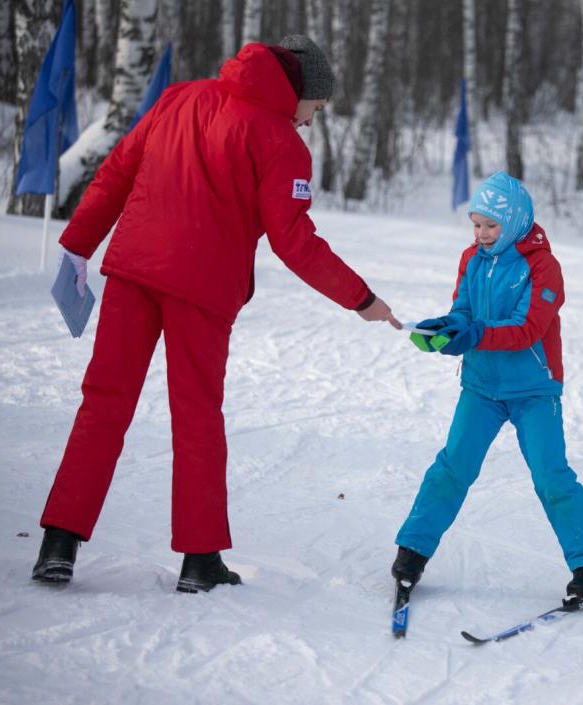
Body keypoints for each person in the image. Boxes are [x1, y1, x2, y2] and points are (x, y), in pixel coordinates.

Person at [31, 36, 401, 593]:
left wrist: (78, 247)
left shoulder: (179, 98)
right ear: (299, 91)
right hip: (200, 291)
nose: (310, 121)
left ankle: (59, 542)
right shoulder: (280, 142)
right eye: (315, 109)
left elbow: (114, 174)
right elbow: (294, 241)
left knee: (103, 404)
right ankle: (199, 560)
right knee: (197, 418)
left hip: (133, 270)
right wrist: (361, 298)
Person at [392, 171, 583, 599]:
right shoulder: (471, 258)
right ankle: (413, 550)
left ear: (514, 223)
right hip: (481, 388)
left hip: (533, 390)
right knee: (452, 467)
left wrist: (473, 333)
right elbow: (464, 310)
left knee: (552, 478)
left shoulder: (543, 266)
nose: (482, 234)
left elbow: (527, 329)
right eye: (476, 224)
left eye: (491, 226)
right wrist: (446, 330)